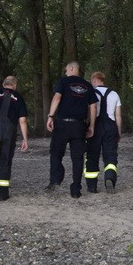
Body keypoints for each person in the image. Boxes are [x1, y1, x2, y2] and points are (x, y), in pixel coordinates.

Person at [46, 61, 98, 199]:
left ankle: (55, 179)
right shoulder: (87, 85)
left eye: (66, 70)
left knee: (56, 152)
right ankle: (76, 188)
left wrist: (51, 116)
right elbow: (93, 108)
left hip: (62, 124)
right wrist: (91, 125)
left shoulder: (63, 82)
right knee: (78, 158)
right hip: (79, 126)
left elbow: (57, 97)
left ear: (72, 68)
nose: (65, 72)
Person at [84, 71, 122, 194]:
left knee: (92, 155)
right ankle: (110, 177)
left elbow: (90, 111)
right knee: (110, 154)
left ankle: (92, 186)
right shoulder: (114, 94)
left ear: (95, 80)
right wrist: (119, 131)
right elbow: (118, 116)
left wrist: (90, 126)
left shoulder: (91, 93)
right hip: (111, 126)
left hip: (96, 125)